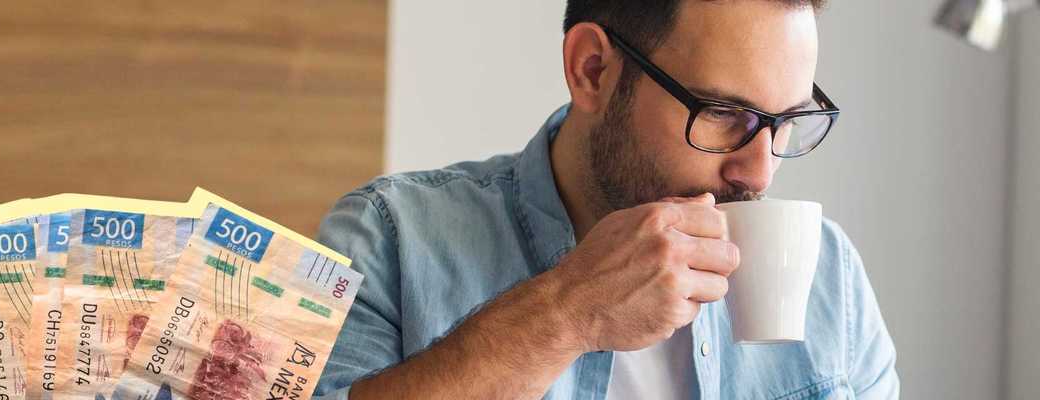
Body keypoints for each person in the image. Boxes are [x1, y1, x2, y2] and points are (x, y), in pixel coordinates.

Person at [313, 0, 898, 398]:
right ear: (591, 69)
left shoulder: (830, 273)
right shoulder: (388, 240)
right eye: (723, 113)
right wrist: (568, 314)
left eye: (788, 121)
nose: (759, 170)